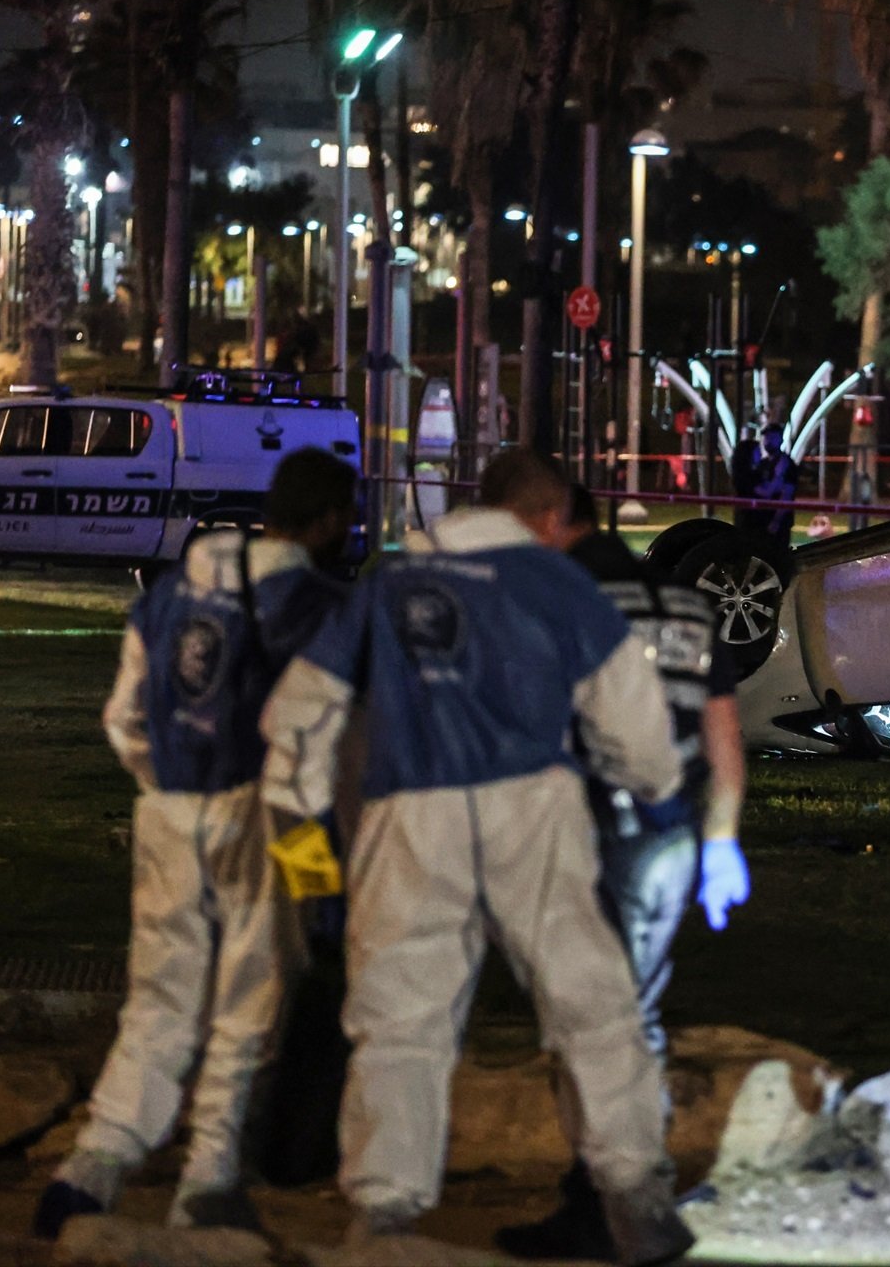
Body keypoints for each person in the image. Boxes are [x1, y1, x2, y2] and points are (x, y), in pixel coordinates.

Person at [259, 450, 693, 1263]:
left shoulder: (386, 584)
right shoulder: (560, 583)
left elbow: (296, 721)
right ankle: (636, 1198)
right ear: (551, 518)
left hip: (407, 812)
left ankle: (384, 1212)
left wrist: (311, 861)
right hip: (532, 804)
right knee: (591, 1005)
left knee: (399, 1016)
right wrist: (659, 788)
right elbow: (632, 715)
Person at [33, 449, 358, 1239]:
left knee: (159, 1001)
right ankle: (208, 1178)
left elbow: (122, 720)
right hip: (264, 817)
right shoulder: (315, 603)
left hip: (168, 814)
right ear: (325, 522)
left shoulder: (170, 594)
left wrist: (168, 782)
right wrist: (320, 878)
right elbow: (311, 752)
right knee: (250, 1004)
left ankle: (91, 1169)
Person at [499, 484, 750, 1260]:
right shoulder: (688, 611)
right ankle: (624, 1191)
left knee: (588, 1028)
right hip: (677, 840)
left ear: (550, 526)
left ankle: (614, 1202)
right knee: (633, 1018)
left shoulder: (576, 607)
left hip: (601, 835)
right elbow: (725, 743)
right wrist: (721, 843)